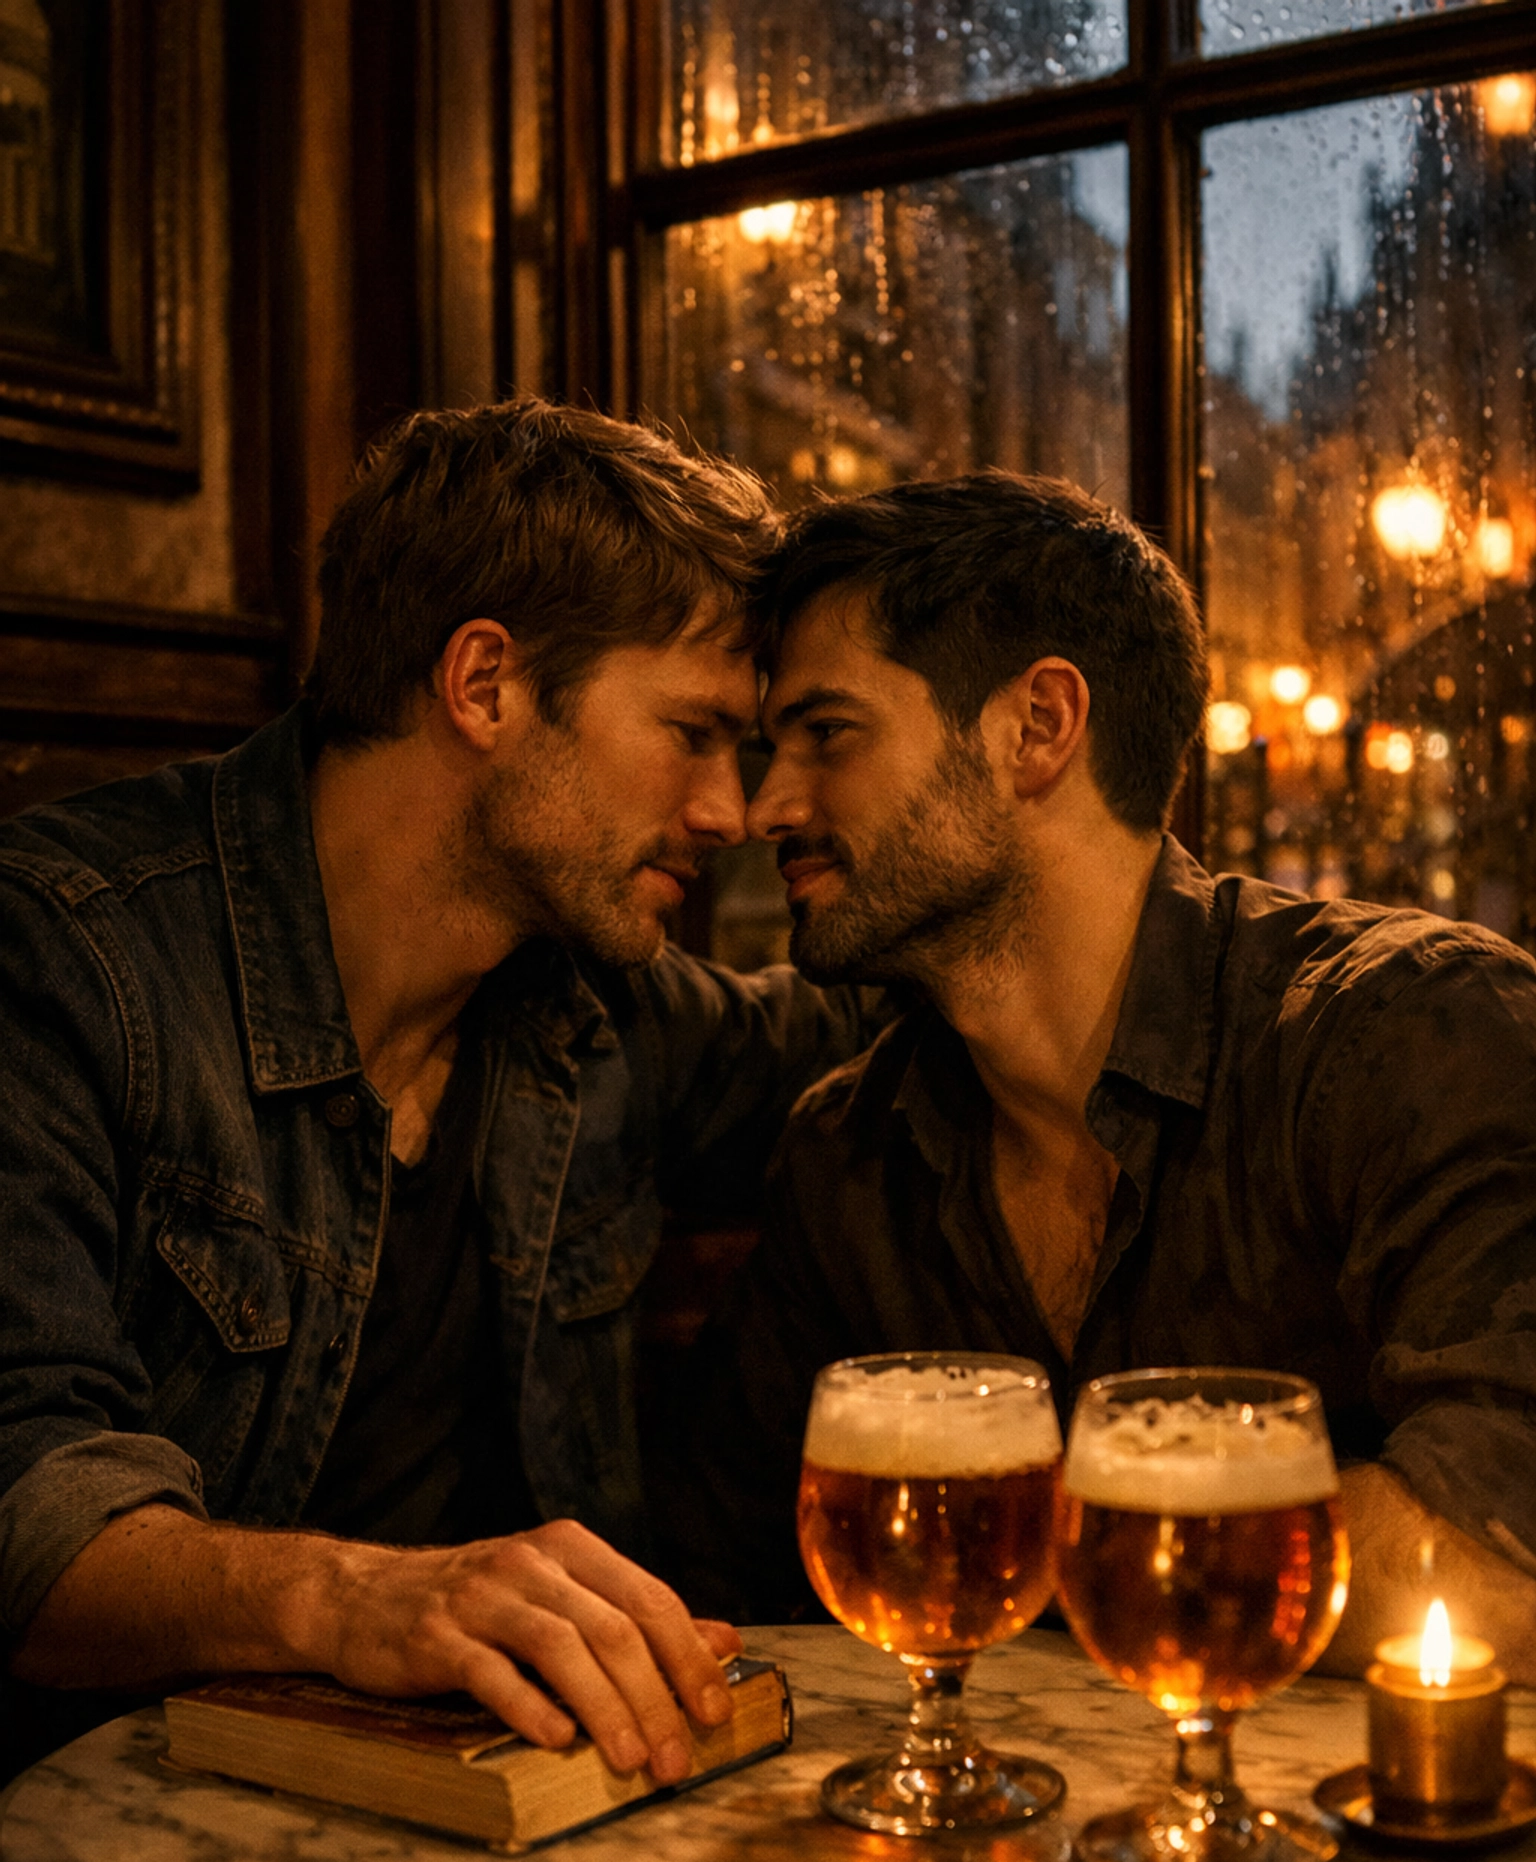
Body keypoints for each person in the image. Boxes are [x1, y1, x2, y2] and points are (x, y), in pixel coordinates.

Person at [0, 397, 875, 1785]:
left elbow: (867, 1037)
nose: (728, 810)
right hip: (103, 1834)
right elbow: (23, 1504)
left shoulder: (597, 1005)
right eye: (694, 732)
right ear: (484, 685)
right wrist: (357, 1600)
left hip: (511, 1822)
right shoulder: (63, 958)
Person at [667, 473, 1536, 1678]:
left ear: (1037, 727)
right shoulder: (851, 1158)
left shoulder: (1398, 1036)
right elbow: (721, 1594)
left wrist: (1021, 1536)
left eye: (828, 734)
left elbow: (1500, 1555)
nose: (765, 806)